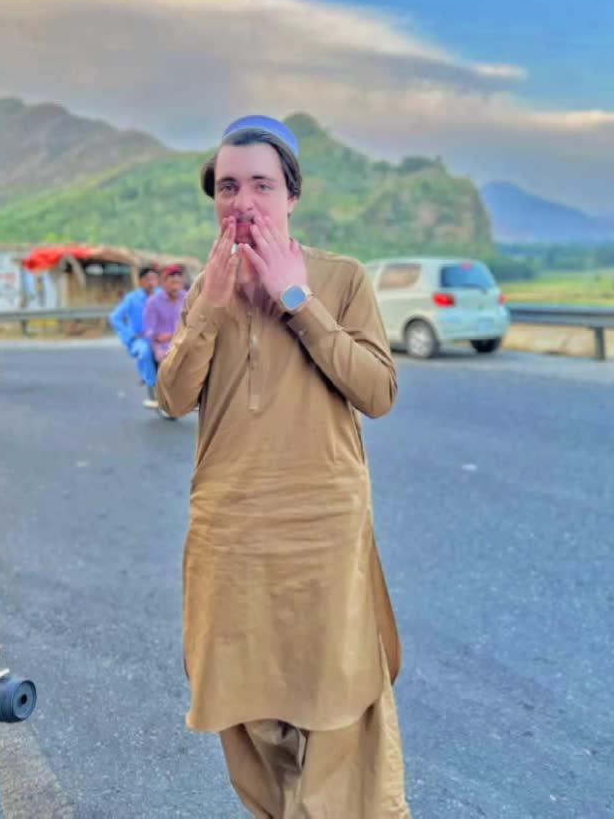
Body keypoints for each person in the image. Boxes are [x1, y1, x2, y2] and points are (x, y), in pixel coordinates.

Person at [156, 114, 411, 818]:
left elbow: (378, 392)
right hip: (230, 523)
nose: (242, 201)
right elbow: (173, 397)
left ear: (292, 195)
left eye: (261, 185)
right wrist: (210, 309)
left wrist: (299, 299)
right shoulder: (206, 287)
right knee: (243, 698)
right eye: (227, 187)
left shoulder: (341, 278)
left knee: (337, 695)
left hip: (321, 523)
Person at [109, 266, 160, 407]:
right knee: (144, 352)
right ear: (141, 281)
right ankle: (152, 385)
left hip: (162, 338)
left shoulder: (162, 295)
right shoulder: (132, 298)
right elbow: (115, 318)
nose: (151, 282)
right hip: (141, 339)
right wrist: (130, 335)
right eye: (148, 279)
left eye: (154, 279)